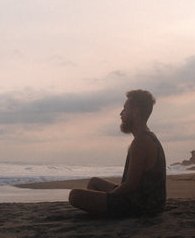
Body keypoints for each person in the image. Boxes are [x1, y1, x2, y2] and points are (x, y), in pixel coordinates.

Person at [68, 89, 166, 217]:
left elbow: (131, 185)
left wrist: (109, 196)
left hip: (144, 205)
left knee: (75, 195)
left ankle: (105, 211)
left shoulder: (141, 142)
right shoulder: (145, 137)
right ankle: (104, 210)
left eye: (125, 109)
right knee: (94, 182)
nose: (121, 113)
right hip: (146, 200)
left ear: (135, 112)